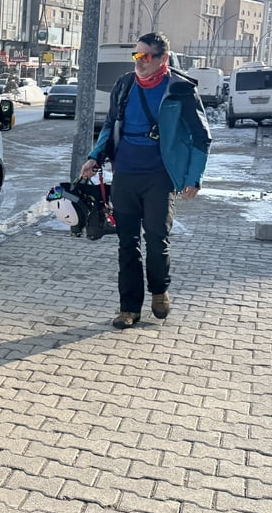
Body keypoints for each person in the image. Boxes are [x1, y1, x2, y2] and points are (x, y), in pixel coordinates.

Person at [79, 32, 211, 329]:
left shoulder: (180, 90)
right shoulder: (124, 85)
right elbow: (110, 125)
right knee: (127, 243)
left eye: (146, 56)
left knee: (156, 238)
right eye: (136, 56)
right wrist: (94, 156)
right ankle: (129, 308)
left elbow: (202, 137)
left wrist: (193, 178)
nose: (139, 62)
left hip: (160, 176)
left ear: (163, 58)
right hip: (125, 173)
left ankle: (160, 290)